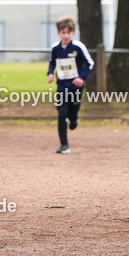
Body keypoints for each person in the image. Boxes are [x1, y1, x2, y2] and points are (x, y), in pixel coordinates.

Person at [47, 16, 93, 154]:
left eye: (68, 32)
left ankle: (74, 119)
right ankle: (64, 145)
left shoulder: (78, 47)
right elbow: (52, 62)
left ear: (73, 33)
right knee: (62, 113)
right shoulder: (55, 48)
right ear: (59, 33)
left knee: (72, 111)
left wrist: (81, 78)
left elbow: (89, 63)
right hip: (62, 85)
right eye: (63, 33)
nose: (65, 35)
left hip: (76, 86)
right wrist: (50, 73)